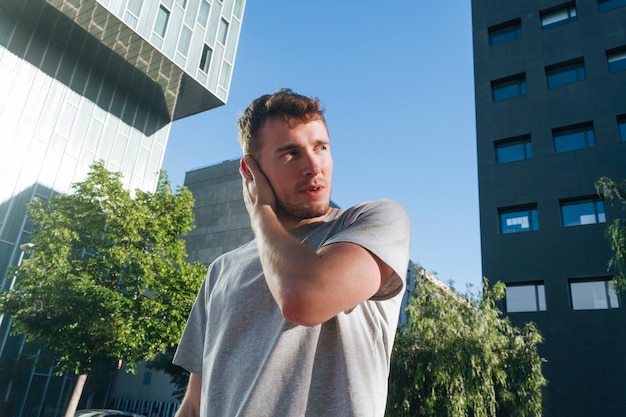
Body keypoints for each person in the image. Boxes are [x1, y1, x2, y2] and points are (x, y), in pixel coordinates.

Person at [173, 89, 411, 417]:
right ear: (251, 172)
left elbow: (306, 297)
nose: (314, 166)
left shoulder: (373, 221)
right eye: (290, 154)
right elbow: (194, 403)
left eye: (321, 148)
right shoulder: (221, 270)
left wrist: (260, 212)